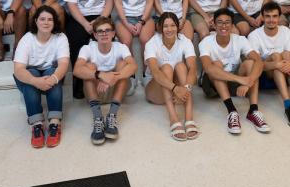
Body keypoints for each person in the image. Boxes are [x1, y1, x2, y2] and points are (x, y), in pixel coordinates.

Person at [199, 8, 270, 134]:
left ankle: (253, 110)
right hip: (212, 84)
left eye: (227, 22)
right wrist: (241, 80)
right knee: (215, 65)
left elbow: (258, 61)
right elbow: (208, 69)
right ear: (214, 25)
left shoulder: (240, 39)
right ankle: (232, 111)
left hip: (235, 82)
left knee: (250, 63)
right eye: (219, 22)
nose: (223, 26)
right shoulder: (206, 42)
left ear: (232, 25)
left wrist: (249, 81)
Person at [73, 16, 138, 145]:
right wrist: (100, 75)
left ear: (113, 34)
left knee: (122, 64)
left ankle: (111, 116)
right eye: (100, 31)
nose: (104, 33)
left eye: (108, 30)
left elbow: (133, 66)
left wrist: (113, 77)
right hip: (96, 92)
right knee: (89, 68)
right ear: (95, 35)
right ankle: (98, 118)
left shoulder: (120, 47)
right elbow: (77, 70)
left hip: (115, 92)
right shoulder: (87, 48)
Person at [248, 2, 290, 127]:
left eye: (274, 16)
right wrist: (277, 64)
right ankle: (288, 106)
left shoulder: (285, 31)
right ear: (262, 17)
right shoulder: (254, 36)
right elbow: (257, 65)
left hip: (284, 73)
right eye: (267, 16)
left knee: (286, 55)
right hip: (266, 76)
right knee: (276, 56)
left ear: (279, 17)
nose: (271, 20)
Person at [13, 5, 70, 148]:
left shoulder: (60, 37)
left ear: (54, 22)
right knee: (29, 74)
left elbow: (63, 64)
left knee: (53, 72)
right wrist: (35, 81)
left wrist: (53, 79)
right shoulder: (27, 39)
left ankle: (54, 123)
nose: (46, 22)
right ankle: (37, 124)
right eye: (42, 19)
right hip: (31, 76)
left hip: (50, 74)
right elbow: (18, 69)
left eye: (50, 19)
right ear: (36, 21)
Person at [63, 0, 111, 97]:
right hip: (80, 18)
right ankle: (79, 88)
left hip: (102, 16)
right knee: (76, 41)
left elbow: (110, 1)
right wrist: (84, 24)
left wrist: (100, 21)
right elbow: (72, 4)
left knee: (106, 40)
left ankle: (106, 82)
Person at [109, 0, 157, 93]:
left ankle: (147, 73)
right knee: (126, 41)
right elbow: (117, 3)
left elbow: (150, 1)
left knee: (145, 40)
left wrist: (142, 21)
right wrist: (125, 23)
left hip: (144, 16)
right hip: (124, 17)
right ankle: (129, 76)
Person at [144, 13, 199, 141]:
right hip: (156, 91)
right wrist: (175, 88)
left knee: (181, 66)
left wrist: (186, 88)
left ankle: (189, 117)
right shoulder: (152, 43)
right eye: (165, 26)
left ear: (178, 26)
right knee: (166, 68)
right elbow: (156, 73)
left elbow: (192, 68)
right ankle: (173, 118)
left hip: (179, 93)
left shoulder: (184, 41)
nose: (169, 29)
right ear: (160, 28)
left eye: (173, 25)